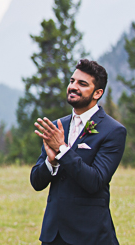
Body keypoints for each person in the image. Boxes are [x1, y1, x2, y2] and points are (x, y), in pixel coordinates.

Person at [31, 59, 126, 245]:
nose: (73, 87)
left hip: (90, 235)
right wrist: (51, 163)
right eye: (72, 81)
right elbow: (36, 182)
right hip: (53, 235)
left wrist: (63, 150)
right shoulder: (58, 126)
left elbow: (95, 181)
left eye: (82, 84)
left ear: (98, 93)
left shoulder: (113, 131)